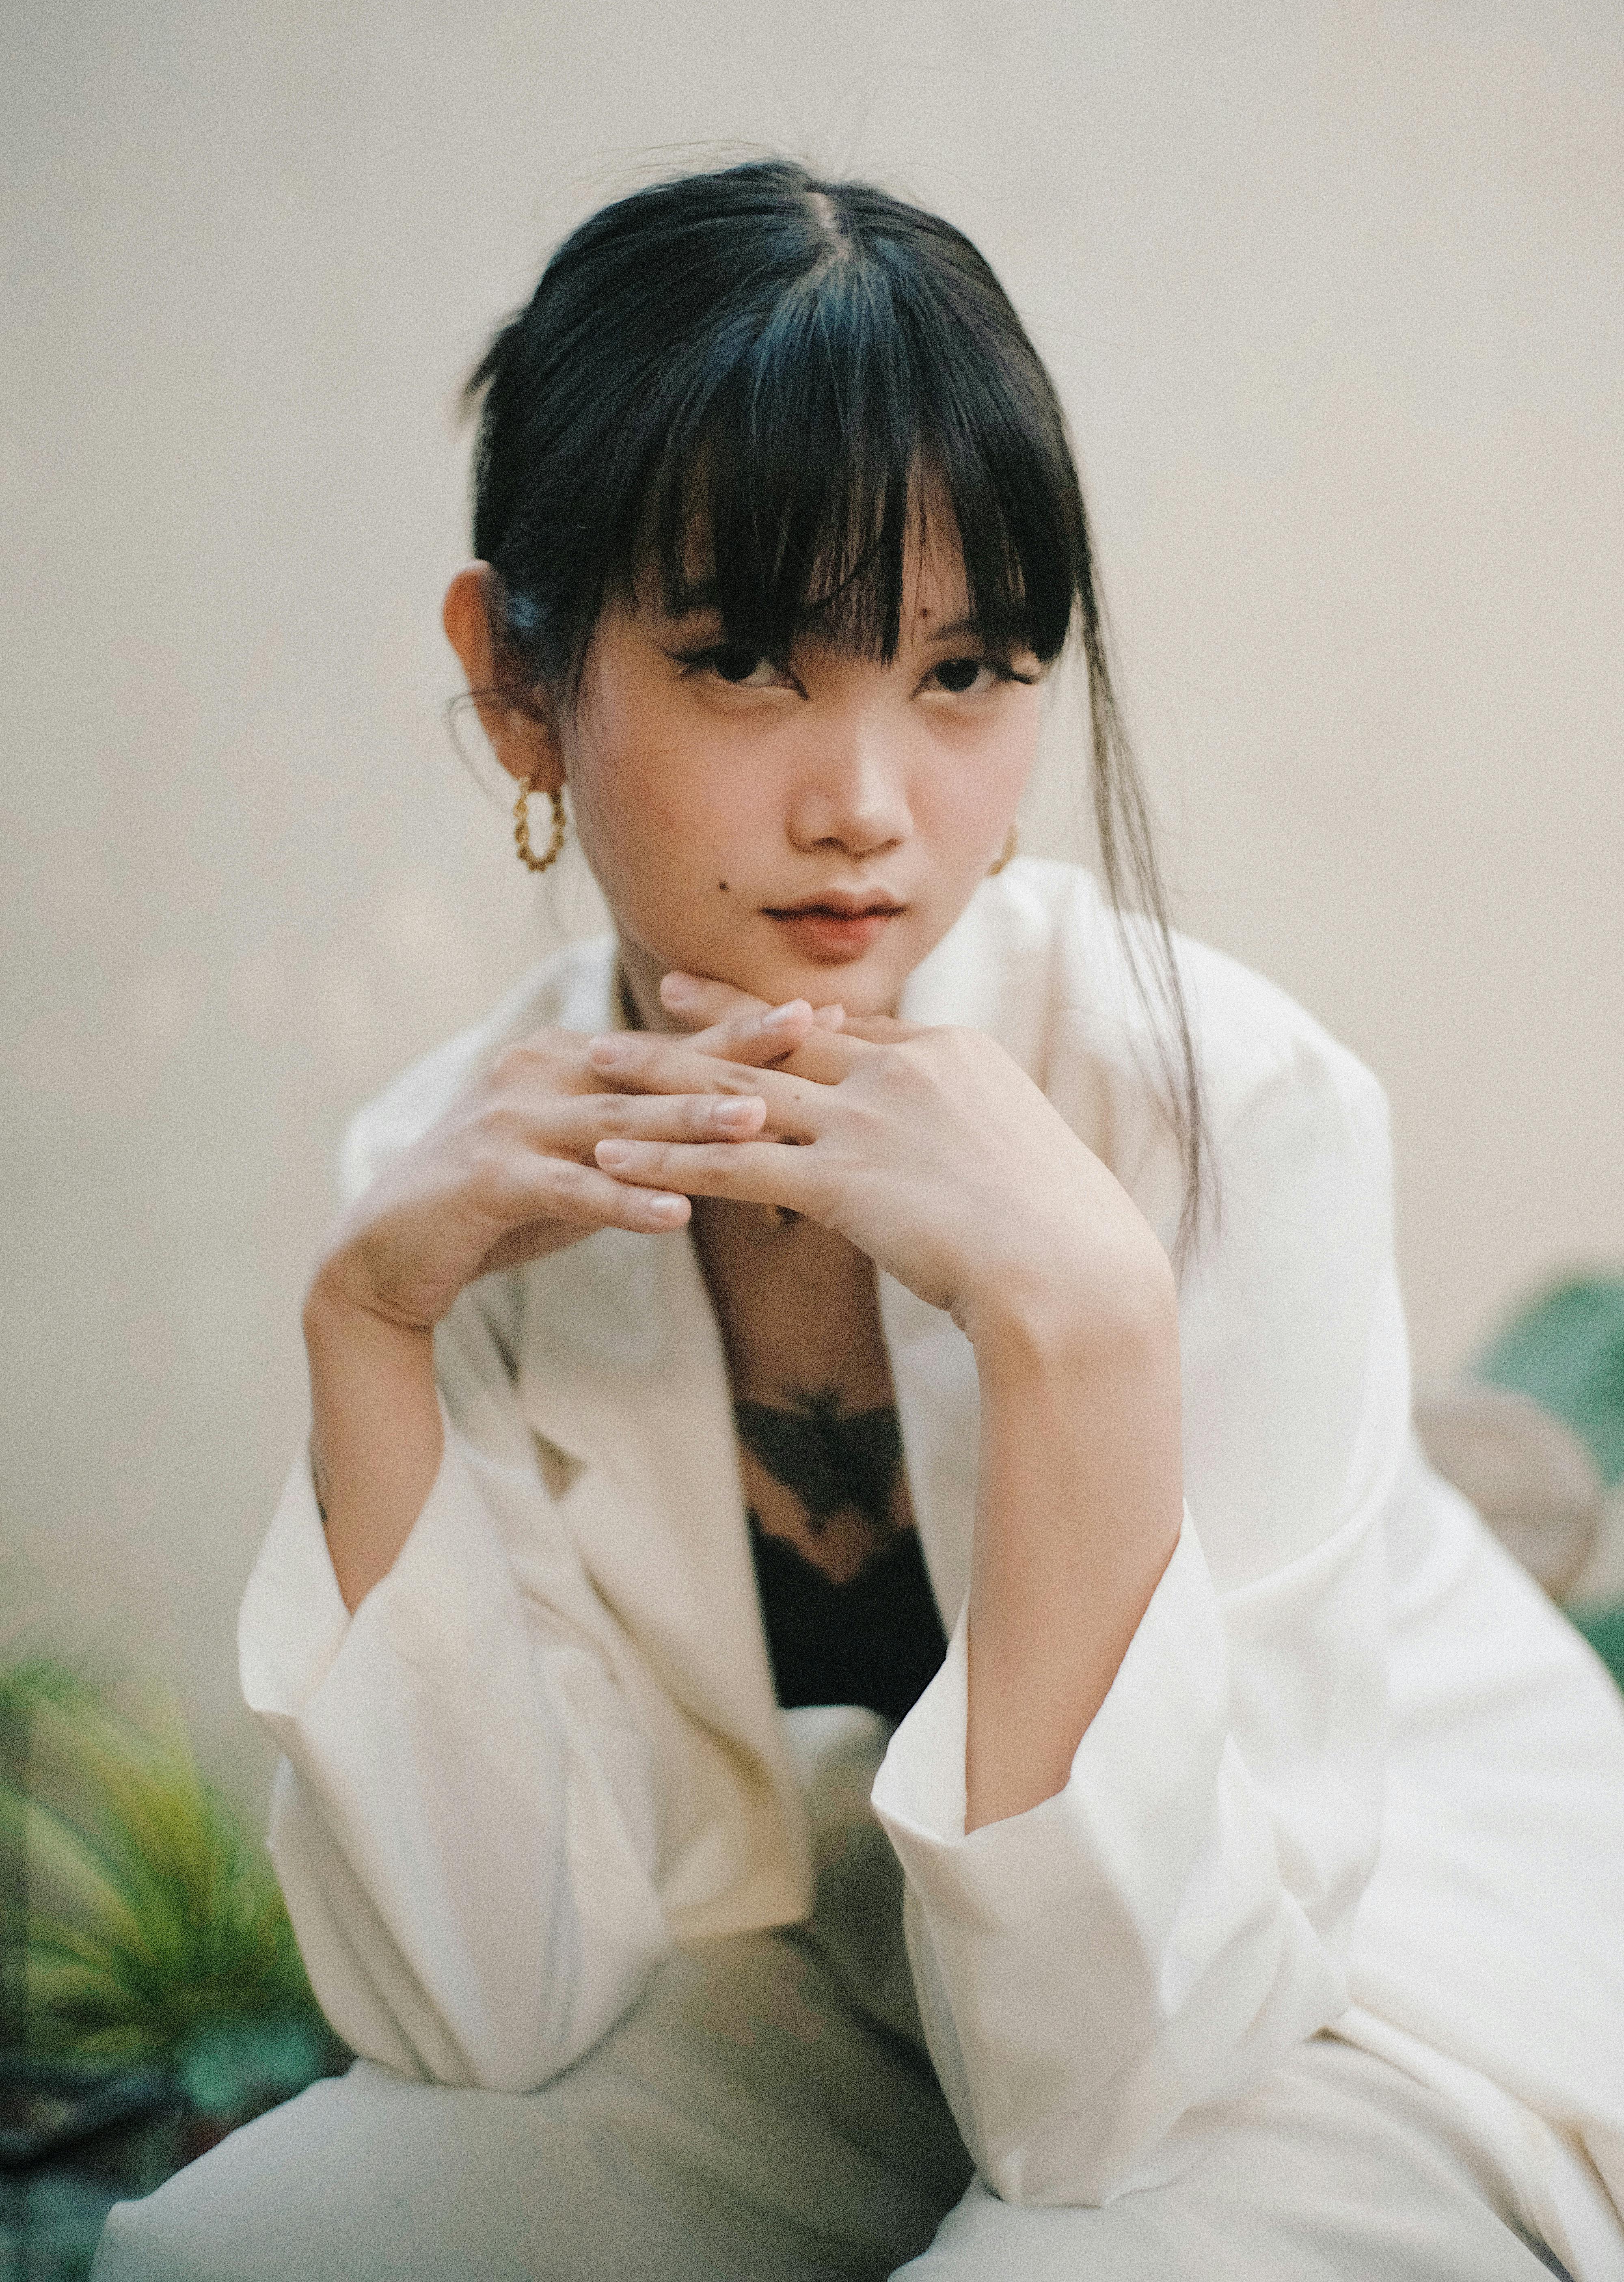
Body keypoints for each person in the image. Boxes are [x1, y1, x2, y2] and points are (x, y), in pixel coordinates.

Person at [94, 162, 1624, 2282]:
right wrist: (365, 1333)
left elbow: (1117, 2104)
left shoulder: (1223, 1108)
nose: (871, 808)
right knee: (236, 2253)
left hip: (1362, 1991)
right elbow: (482, 2017)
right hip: (877, 1981)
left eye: (970, 671)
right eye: (742, 663)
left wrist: (1081, 1318)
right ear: (520, 681)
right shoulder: (466, 1184)